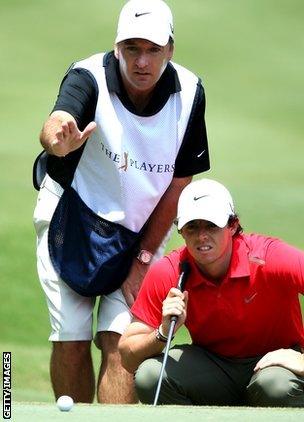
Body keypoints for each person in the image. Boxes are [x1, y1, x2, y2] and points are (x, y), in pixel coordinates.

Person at [33, 0, 210, 404]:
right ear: (117, 48)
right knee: (72, 340)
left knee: (122, 344)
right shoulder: (87, 75)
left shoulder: (191, 92)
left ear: (170, 49)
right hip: (69, 218)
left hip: (141, 232)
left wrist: (144, 258)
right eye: (132, 48)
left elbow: (180, 182)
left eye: (152, 49)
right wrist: (55, 140)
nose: (141, 61)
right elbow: (58, 120)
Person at [119, 178, 304, 407]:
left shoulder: (269, 257)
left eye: (211, 225)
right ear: (181, 230)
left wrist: (301, 359)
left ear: (233, 226)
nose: (201, 236)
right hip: (215, 368)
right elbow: (127, 357)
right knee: (151, 376)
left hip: (275, 366)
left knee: (275, 386)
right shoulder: (170, 271)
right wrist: (163, 332)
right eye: (192, 226)